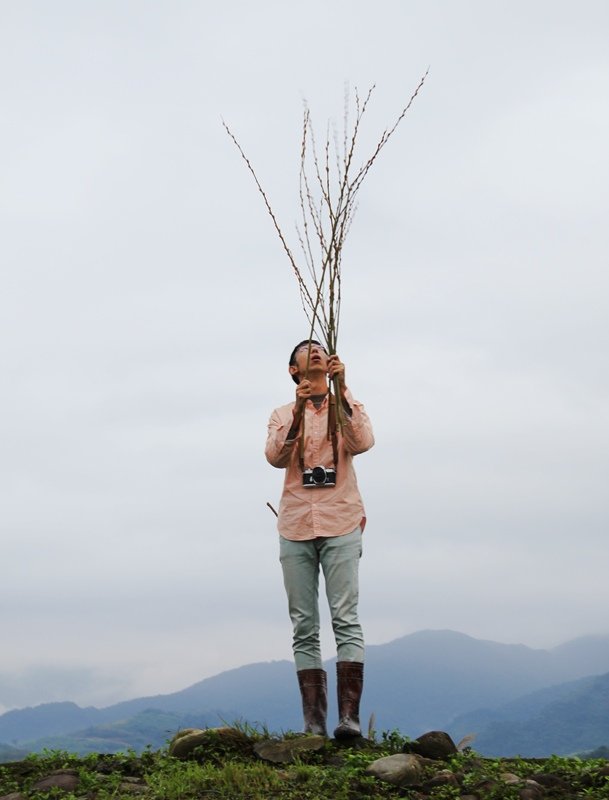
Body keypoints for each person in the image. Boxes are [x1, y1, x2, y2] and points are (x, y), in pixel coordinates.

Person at [265, 339, 374, 738]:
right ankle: (313, 724)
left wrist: (342, 388)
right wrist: (297, 410)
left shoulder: (347, 406)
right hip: (295, 524)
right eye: (305, 349)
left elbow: (362, 442)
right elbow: (276, 457)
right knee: (304, 623)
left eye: (320, 347)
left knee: (346, 617)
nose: (314, 350)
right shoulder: (280, 413)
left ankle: (349, 719)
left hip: (341, 519)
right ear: (294, 370)